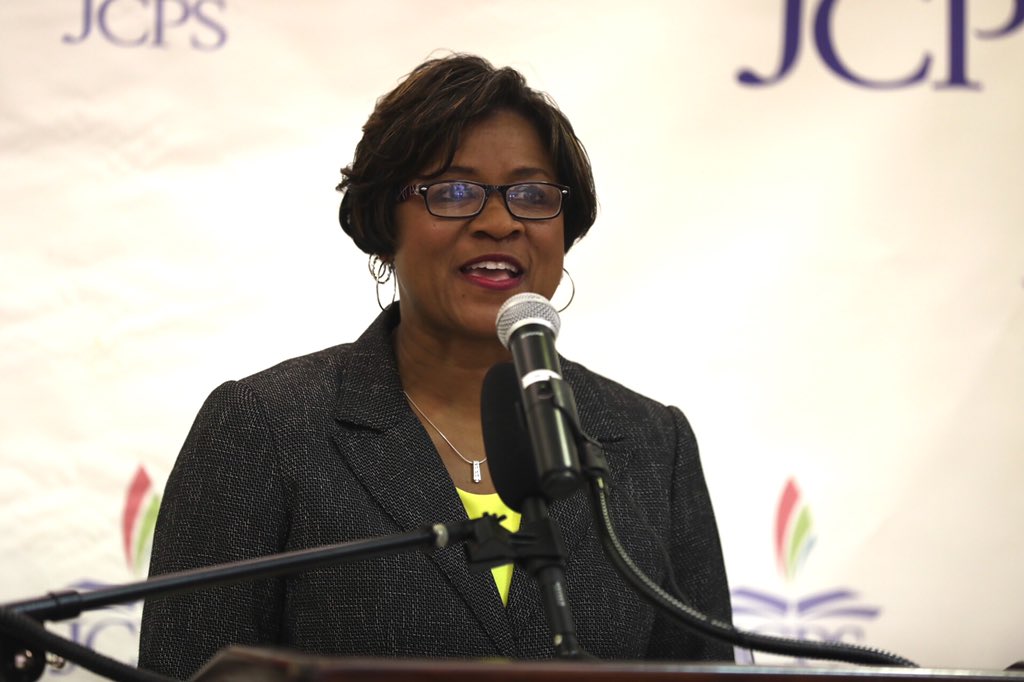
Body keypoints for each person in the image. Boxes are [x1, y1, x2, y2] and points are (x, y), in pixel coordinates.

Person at [138, 53, 733, 679]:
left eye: (532, 195)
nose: (500, 223)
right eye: (453, 192)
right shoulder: (266, 428)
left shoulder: (650, 443)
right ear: (383, 220)